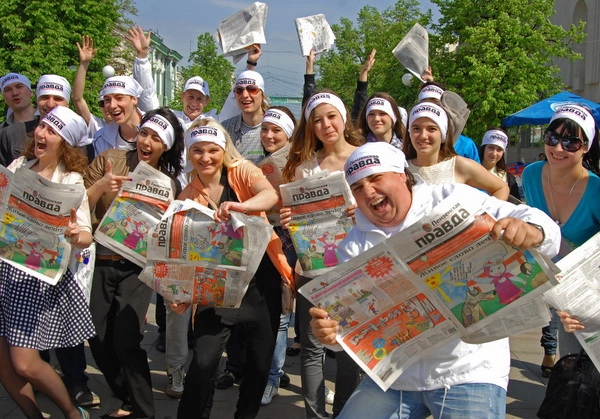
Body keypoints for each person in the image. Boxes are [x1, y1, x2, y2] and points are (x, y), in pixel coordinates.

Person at [309, 141, 560, 419]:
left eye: (375, 178)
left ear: (402, 175)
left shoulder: (452, 198)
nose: (368, 192)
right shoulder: (352, 245)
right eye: (357, 187)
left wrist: (533, 230)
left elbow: (540, 224)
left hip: (466, 371)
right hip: (397, 379)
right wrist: (331, 336)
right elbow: (347, 331)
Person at [173, 117, 291, 418]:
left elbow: (269, 195)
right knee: (203, 362)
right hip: (215, 287)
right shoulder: (187, 194)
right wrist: (178, 290)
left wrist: (242, 206)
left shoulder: (241, 171)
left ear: (224, 150)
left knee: (259, 364)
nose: (205, 157)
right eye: (197, 150)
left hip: (259, 281)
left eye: (213, 150)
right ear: (189, 153)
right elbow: (180, 252)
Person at [84, 107, 184, 419]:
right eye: (144, 133)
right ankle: (126, 396)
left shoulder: (170, 183)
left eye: (156, 138)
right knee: (96, 336)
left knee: (127, 340)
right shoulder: (108, 160)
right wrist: (102, 187)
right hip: (100, 261)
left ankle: (143, 411)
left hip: (136, 269)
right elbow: (76, 205)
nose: (146, 142)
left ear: (166, 146)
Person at [0, 106, 95, 419]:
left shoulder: (71, 181)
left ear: (64, 143)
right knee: (4, 363)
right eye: (42, 126)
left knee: (25, 362)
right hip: (4, 269)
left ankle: (72, 412)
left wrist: (75, 234)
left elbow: (86, 235)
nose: (41, 133)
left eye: (51, 131)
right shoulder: (19, 165)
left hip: (35, 279)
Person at [281, 90, 363, 418]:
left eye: (331, 116)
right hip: (313, 269)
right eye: (318, 120)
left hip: (355, 268)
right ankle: (314, 414)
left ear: (344, 119)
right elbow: (296, 219)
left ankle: (344, 412)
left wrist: (364, 212)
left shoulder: (365, 158)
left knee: (349, 349)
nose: (326, 125)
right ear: (310, 127)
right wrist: (289, 218)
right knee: (312, 349)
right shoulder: (303, 167)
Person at [521, 104, 600, 375]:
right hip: (551, 287)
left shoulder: (596, 191)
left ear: (586, 147)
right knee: (569, 371)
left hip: (588, 293)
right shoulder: (531, 175)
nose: (558, 148)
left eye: (570, 142)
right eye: (552, 137)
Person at [257, 106, 297, 405]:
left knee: (301, 317)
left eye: (276, 130)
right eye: (265, 129)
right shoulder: (258, 167)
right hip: (270, 242)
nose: (269, 135)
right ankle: (270, 376)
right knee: (278, 314)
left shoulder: (302, 165)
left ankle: (310, 383)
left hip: (298, 244)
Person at [404, 101, 509, 200]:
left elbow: (501, 188)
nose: (423, 136)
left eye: (431, 129)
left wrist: (486, 213)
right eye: (416, 128)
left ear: (443, 133)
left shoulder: (459, 165)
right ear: (409, 132)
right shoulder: (401, 169)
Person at [479, 128, 521, 199]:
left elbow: (515, 203)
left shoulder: (509, 179)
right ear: (484, 148)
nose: (494, 153)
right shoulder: (469, 170)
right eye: (491, 147)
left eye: (499, 149)